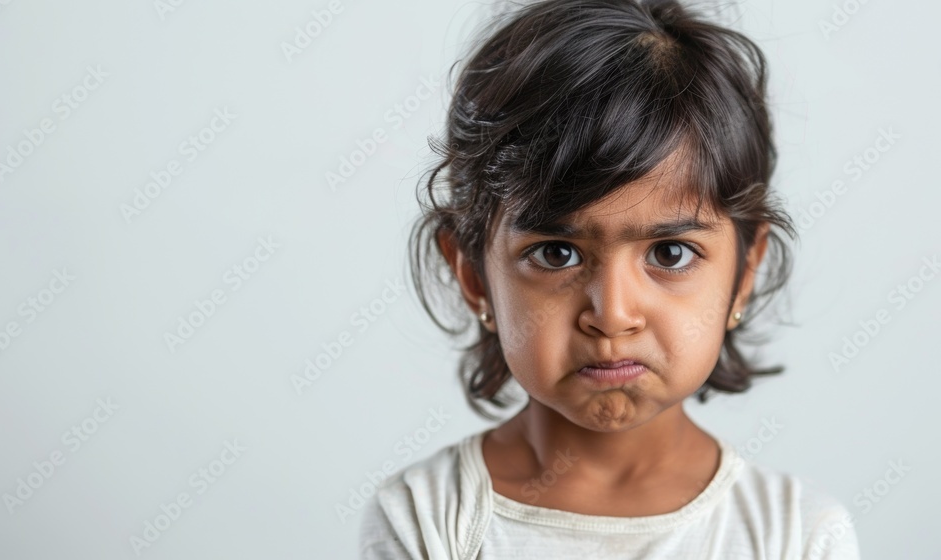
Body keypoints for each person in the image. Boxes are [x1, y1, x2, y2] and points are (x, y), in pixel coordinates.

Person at [360, 0, 860, 557]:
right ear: (474, 276)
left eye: (670, 253)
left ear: (744, 271)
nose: (614, 314)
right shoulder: (429, 521)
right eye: (555, 254)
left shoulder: (796, 535)